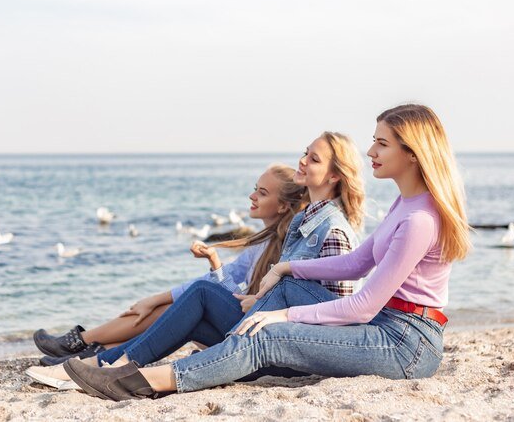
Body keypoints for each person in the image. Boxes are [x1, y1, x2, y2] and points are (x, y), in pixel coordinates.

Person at [62, 104, 472, 400]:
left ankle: (141, 382)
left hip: (406, 345)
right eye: (373, 142)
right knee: (274, 301)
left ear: (413, 153)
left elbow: (362, 305)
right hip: (388, 327)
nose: (371, 153)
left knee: (268, 333)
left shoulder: (420, 220)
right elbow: (359, 262)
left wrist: (282, 314)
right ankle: (142, 362)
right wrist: (286, 267)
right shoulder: (406, 204)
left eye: (382, 144)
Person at [26, 132, 367, 387]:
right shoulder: (308, 221)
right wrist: (259, 301)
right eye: (305, 154)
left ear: (335, 176)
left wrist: (275, 311)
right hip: (269, 334)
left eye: (315, 159)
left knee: (202, 295)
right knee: (189, 314)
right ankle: (103, 362)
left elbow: (337, 317)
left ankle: (107, 365)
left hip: (290, 351)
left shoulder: (332, 232)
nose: (303, 161)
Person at [31, 164, 308, 366]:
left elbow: (230, 296)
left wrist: (213, 265)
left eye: (262, 193)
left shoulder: (285, 247)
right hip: (237, 325)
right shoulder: (260, 242)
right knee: (169, 305)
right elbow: (226, 285)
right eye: (254, 189)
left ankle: (83, 345)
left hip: (249, 335)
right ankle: (88, 352)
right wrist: (154, 298)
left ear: (283, 206)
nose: (252, 197)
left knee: (192, 298)